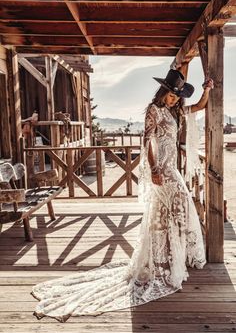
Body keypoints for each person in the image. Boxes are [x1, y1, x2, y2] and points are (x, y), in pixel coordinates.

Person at [31, 69, 213, 322]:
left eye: (176, 96)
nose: (173, 99)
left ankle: (171, 259)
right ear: (163, 92)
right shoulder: (154, 110)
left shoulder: (176, 111)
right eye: (171, 95)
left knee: (174, 211)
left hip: (173, 167)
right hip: (161, 168)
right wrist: (155, 169)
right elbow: (148, 140)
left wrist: (207, 89)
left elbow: (201, 106)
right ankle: (164, 262)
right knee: (169, 209)